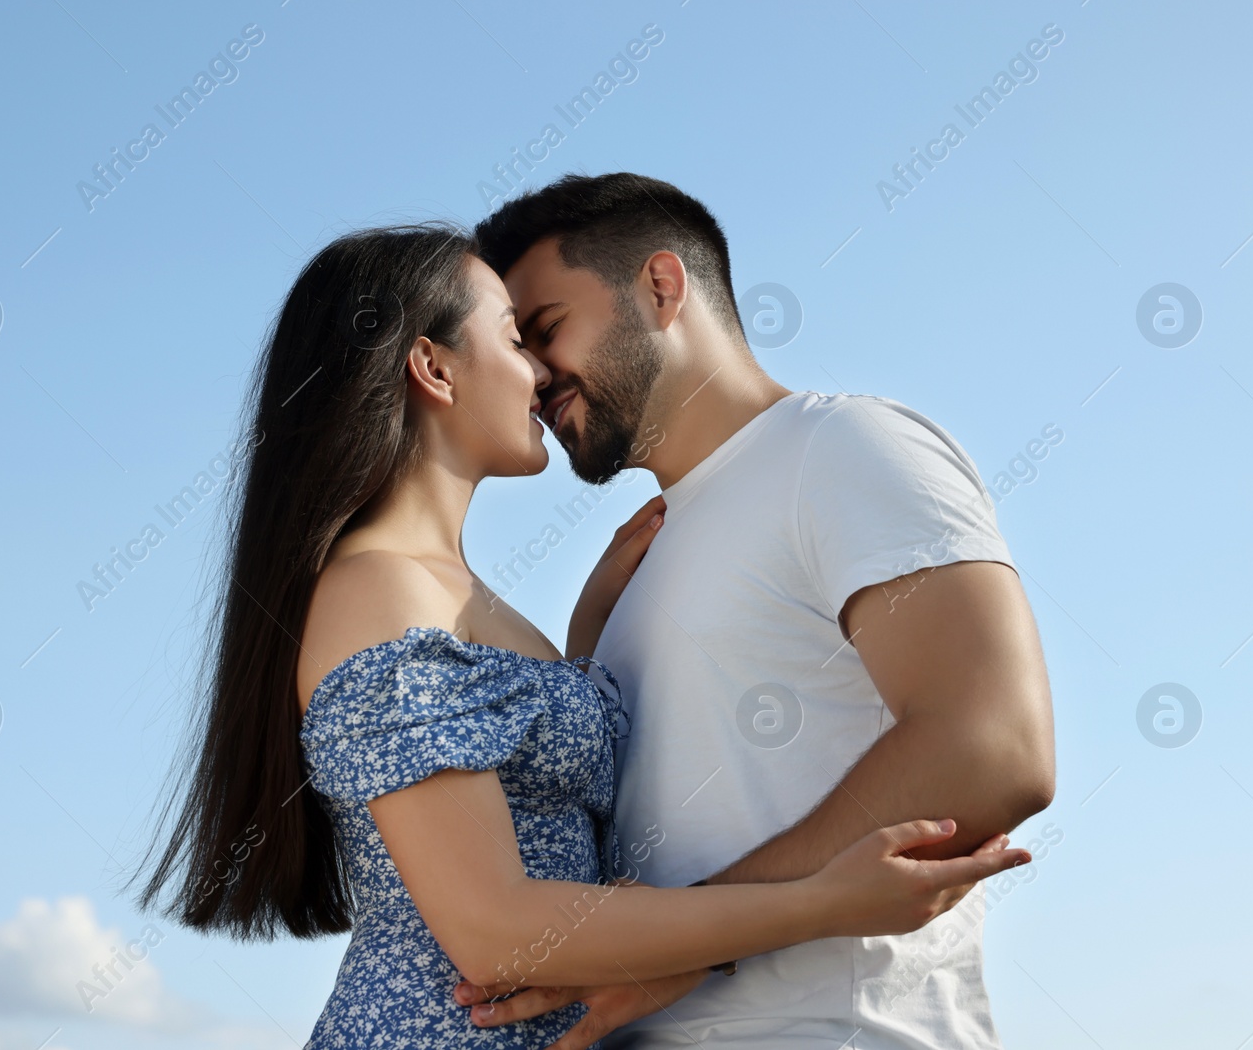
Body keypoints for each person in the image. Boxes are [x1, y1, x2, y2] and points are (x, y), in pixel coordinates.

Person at [129, 223, 1033, 1049]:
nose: (539, 369)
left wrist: (593, 642)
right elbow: (494, 925)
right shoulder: (379, 586)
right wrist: (815, 902)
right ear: (434, 370)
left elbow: (534, 800)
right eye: (515, 337)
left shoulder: (460, 600)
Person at [450, 173, 1057, 1049]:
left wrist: (684, 944)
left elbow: (994, 748)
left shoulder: (843, 446)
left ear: (662, 285)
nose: (537, 378)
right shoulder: (636, 566)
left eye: (547, 331)